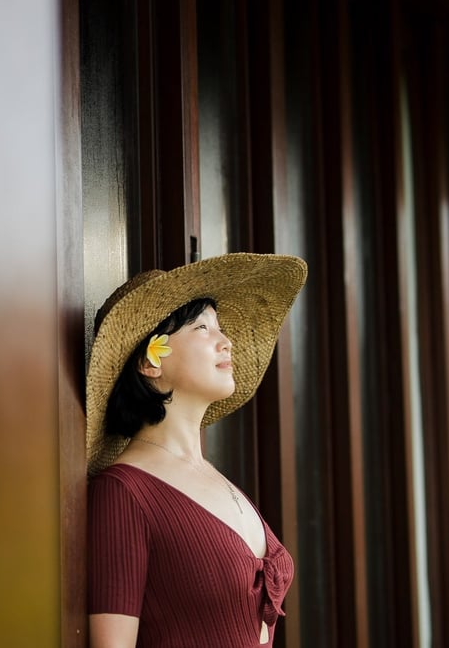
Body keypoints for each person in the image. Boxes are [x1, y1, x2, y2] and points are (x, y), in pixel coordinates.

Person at [86, 252, 308, 648]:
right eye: (203, 328)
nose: (226, 342)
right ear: (150, 361)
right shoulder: (123, 493)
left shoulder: (214, 478)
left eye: (221, 328)